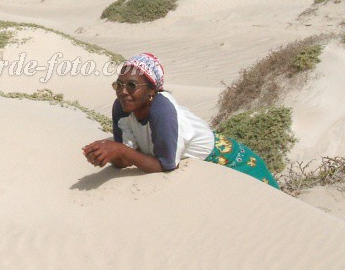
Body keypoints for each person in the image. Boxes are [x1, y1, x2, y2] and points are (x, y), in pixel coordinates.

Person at [82, 52, 279, 188]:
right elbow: (126, 157)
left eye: (132, 85)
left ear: (152, 90)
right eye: (119, 85)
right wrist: (105, 154)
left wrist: (119, 150)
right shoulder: (122, 107)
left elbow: (165, 165)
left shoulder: (162, 110)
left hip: (229, 162)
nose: (123, 92)